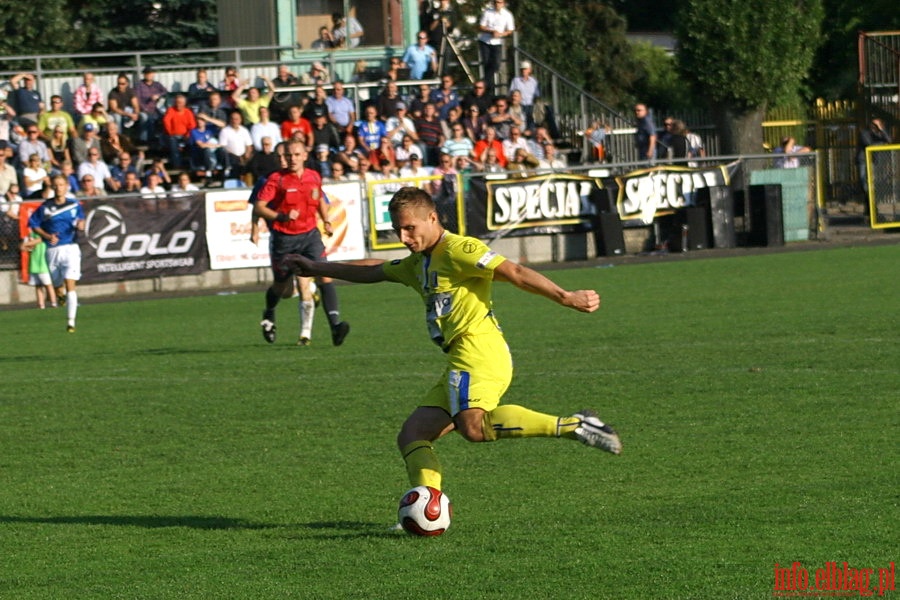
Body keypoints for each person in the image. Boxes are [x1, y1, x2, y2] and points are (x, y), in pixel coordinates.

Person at [281, 187, 621, 500]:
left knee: (473, 427)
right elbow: (374, 270)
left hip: (478, 351)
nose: (404, 237)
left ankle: (575, 425)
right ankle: (427, 505)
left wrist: (566, 297)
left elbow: (514, 271)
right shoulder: (419, 263)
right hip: (459, 358)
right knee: (412, 435)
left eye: (410, 228)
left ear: (432, 218)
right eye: (398, 230)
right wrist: (315, 267)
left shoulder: (460, 248)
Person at [255, 139, 350, 347]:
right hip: (284, 240)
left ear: (305, 155)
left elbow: (319, 201)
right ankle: (269, 312)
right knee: (282, 288)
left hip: (310, 235)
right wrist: (281, 216)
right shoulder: (276, 179)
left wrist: (325, 220)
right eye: (289, 155)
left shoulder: (313, 177)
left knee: (325, 275)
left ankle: (335, 326)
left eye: (297, 155)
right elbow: (259, 207)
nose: (292, 159)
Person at [28, 174, 85, 333]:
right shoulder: (45, 207)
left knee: (70, 284)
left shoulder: (74, 205)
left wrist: (81, 225)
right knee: (57, 285)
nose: (59, 187)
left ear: (66, 186)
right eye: (56, 185)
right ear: (53, 187)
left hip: (71, 248)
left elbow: (81, 220)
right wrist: (47, 236)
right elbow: (33, 224)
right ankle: (60, 295)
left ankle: (71, 323)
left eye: (62, 184)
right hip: (52, 250)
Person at [477, 0, 515, 93]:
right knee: (486, 64)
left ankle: (484, 84)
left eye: (500, 2)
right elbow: (481, 26)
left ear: (503, 3)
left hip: (497, 42)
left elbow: (510, 30)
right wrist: (491, 31)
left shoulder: (507, 15)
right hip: (485, 41)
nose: (498, 4)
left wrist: (501, 34)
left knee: (496, 64)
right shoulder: (487, 12)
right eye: (496, 2)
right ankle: (488, 88)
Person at [20, 229, 57, 309]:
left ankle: (54, 303)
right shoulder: (31, 234)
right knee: (38, 285)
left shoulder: (45, 233)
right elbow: (24, 247)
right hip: (34, 263)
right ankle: (41, 305)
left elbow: (40, 240)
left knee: (48, 285)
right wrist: (27, 247)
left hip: (43, 264)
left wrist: (27, 244)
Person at [856, 118, 892, 197]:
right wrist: (882, 144)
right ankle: (869, 198)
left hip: (874, 160)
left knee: (873, 180)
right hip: (864, 160)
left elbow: (889, 140)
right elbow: (869, 144)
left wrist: (882, 130)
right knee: (864, 181)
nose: (874, 126)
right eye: (873, 124)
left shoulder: (879, 133)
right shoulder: (865, 133)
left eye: (876, 125)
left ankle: (872, 200)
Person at [161, 94, 197, 170]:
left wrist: (187, 134)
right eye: (177, 102)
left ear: (184, 103)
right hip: (173, 135)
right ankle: (177, 166)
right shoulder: (171, 110)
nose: (178, 104)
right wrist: (170, 132)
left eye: (181, 103)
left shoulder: (188, 112)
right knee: (173, 143)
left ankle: (193, 166)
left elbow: (192, 125)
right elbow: (166, 121)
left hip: (185, 135)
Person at [135, 66, 168, 147]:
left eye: (151, 73)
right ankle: (145, 140)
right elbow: (137, 99)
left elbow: (165, 92)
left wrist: (158, 95)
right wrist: (144, 108)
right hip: (143, 109)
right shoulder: (139, 85)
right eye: (147, 74)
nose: (149, 75)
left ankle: (163, 141)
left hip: (156, 109)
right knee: (146, 118)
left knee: (165, 118)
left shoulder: (157, 85)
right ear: (144, 75)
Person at [218, 111, 254, 179]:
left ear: (240, 120)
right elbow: (223, 147)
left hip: (244, 156)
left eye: (237, 119)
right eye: (233, 119)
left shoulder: (244, 130)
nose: (234, 121)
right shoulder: (225, 131)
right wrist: (237, 157)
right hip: (231, 156)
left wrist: (247, 154)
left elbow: (249, 145)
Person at [509, 61, 539, 131]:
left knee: (533, 113)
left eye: (525, 69)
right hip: (520, 104)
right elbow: (511, 93)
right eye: (522, 69)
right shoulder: (516, 80)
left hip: (531, 105)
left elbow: (537, 95)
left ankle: (531, 132)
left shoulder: (534, 81)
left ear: (529, 70)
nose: (523, 71)